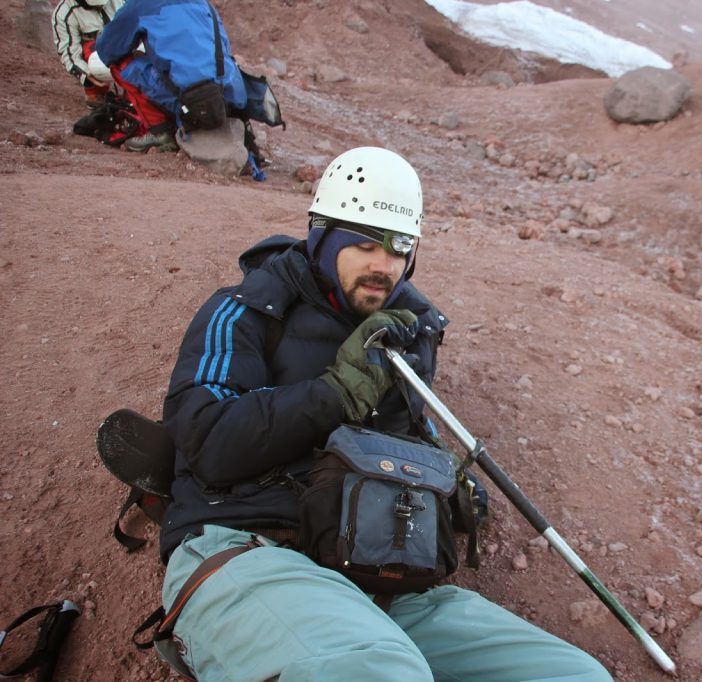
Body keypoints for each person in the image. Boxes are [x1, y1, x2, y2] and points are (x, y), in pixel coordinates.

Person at [156, 146, 612, 681]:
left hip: (379, 574)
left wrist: (448, 482)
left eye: (399, 247)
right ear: (323, 236)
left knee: (572, 675)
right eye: (365, 243)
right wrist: (335, 394)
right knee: (378, 670)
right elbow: (207, 442)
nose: (385, 265)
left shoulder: (408, 335)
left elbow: (408, 442)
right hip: (248, 550)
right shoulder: (246, 311)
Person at [93, 0, 247, 153]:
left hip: (192, 101)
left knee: (121, 63)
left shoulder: (140, 5)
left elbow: (109, 49)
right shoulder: (203, 3)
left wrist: (101, 37)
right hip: (227, 94)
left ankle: (160, 131)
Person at [51, 0, 125, 109]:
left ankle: (140, 89)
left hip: (125, 41)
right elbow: (69, 54)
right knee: (95, 55)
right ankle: (95, 91)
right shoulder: (64, 12)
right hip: (98, 54)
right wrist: (86, 74)